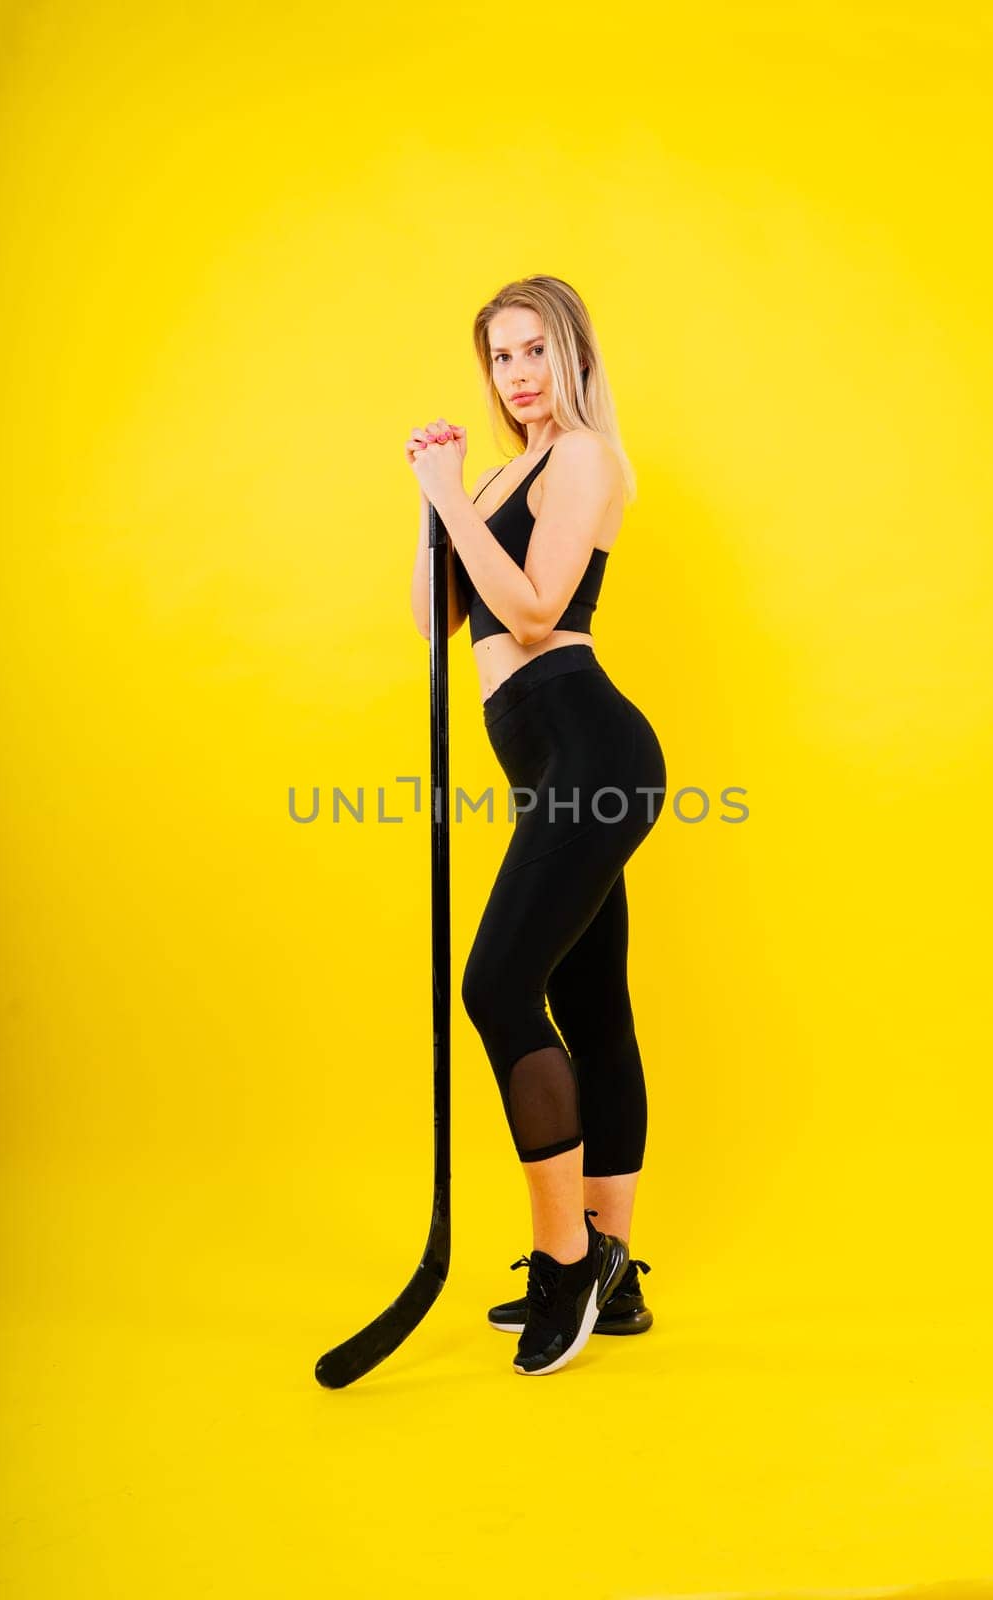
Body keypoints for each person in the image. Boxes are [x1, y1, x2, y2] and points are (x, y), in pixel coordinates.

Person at [407, 275, 667, 1376]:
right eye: (499, 357)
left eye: (531, 351)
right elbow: (437, 624)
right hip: (539, 759)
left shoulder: (584, 459)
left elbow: (530, 608)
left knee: (496, 988)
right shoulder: (508, 467)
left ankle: (563, 1257)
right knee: (589, 1001)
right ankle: (611, 1270)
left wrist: (453, 492)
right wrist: (433, 502)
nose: (515, 375)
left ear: (569, 355)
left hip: (589, 745)